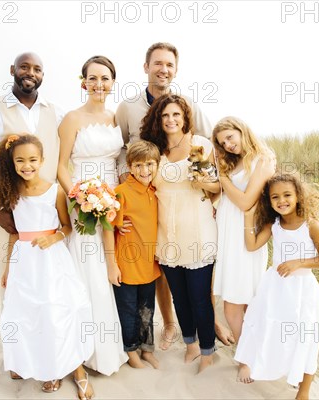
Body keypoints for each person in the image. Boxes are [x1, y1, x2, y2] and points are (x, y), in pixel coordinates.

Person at [115, 41, 233, 349]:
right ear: (146, 67)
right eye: (157, 63)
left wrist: (214, 186)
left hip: (189, 201)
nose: (163, 69)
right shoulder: (128, 107)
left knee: (195, 268)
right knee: (162, 269)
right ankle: (170, 324)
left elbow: (210, 141)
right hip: (150, 198)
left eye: (169, 64)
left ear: (175, 70)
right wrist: (127, 186)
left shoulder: (188, 105)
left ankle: (208, 323)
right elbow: (119, 149)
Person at [0, 134, 94, 399]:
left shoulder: (55, 190)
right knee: (31, 316)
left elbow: (67, 226)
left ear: (42, 160)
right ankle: (49, 369)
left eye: (32, 159)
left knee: (58, 312)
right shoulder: (11, 193)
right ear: (12, 162)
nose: (26, 165)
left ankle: (78, 371)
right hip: (24, 262)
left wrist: (54, 237)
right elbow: (13, 233)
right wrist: (9, 268)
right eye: (20, 160)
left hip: (51, 260)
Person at [0, 52, 64, 300]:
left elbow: (65, 158)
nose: (30, 73)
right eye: (24, 67)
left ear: (43, 75)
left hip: (46, 210)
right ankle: (14, 336)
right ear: (12, 70)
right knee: (9, 276)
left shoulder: (57, 113)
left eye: (37, 69)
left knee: (50, 276)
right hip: (7, 208)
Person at [57, 55, 128, 375]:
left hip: (113, 198)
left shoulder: (116, 118)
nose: (99, 84)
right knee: (90, 273)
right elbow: (60, 165)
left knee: (113, 271)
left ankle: (114, 347)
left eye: (105, 78)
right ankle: (87, 353)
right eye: (93, 78)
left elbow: (120, 162)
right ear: (83, 82)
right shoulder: (72, 119)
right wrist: (78, 197)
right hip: (82, 202)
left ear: (113, 83)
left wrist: (114, 198)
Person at [234, 173, 319, 400]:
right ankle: (255, 364)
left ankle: (304, 390)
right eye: (275, 197)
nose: (282, 201)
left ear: (298, 196)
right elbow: (251, 246)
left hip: (303, 290)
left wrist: (298, 262)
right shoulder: (274, 225)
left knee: (306, 336)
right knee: (265, 327)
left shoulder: (311, 225)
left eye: (287, 195)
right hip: (275, 289)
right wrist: (249, 219)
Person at [141, 93, 220, 373]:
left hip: (196, 229)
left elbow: (216, 188)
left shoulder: (201, 145)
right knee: (179, 297)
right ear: (158, 121)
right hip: (166, 233)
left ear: (186, 117)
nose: (171, 120)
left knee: (200, 297)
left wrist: (204, 181)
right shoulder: (155, 151)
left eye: (176, 114)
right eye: (165, 116)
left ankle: (208, 352)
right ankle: (191, 345)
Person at [211, 117, 276, 343]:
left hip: (245, 235)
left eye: (230, 137)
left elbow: (246, 202)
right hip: (228, 236)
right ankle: (249, 353)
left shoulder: (262, 159)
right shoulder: (234, 161)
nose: (228, 145)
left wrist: (223, 179)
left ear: (242, 130)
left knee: (239, 302)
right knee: (240, 299)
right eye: (222, 143)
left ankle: (247, 356)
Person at [103, 141, 162, 369]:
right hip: (126, 264)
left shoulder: (155, 191)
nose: (144, 170)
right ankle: (131, 351)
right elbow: (108, 228)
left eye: (149, 164)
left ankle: (147, 349)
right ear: (129, 165)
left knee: (147, 309)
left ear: (157, 165)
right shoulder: (120, 193)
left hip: (148, 264)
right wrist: (111, 265)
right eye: (138, 165)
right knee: (127, 311)